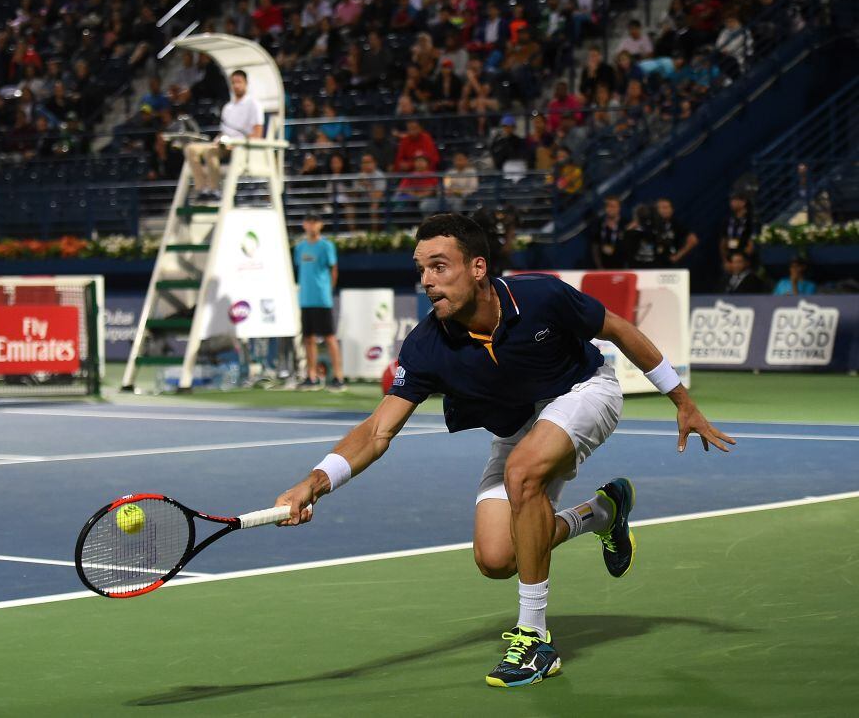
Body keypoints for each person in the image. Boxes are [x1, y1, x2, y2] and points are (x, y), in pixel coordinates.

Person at [273, 213, 734, 688]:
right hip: (517, 423)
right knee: (497, 558)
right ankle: (601, 513)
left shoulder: (539, 296)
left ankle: (535, 640)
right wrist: (315, 482)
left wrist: (681, 400)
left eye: (439, 266)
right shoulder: (427, 345)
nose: (428, 282)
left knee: (522, 474)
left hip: (583, 392)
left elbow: (615, 328)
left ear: (477, 268)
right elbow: (376, 432)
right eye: (421, 270)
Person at [184, 69, 263, 201]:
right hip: (223, 144)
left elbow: (258, 134)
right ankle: (202, 188)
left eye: (239, 82)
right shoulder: (228, 107)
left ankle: (214, 189)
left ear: (246, 83)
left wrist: (238, 143)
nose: (236, 85)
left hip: (240, 146)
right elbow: (223, 131)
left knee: (211, 152)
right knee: (190, 148)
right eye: (233, 82)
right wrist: (217, 139)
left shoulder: (254, 104)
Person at [294, 213, 345, 392]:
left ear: (320, 225)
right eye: (308, 221)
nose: (311, 225)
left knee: (330, 338)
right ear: (304, 224)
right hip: (305, 299)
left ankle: (338, 377)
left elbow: (334, 270)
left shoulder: (326, 246)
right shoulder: (300, 248)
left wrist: (327, 290)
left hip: (322, 299)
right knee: (308, 339)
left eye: (315, 222)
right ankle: (312, 376)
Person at [655, 198, 699, 267]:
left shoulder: (676, 225)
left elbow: (693, 240)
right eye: (662, 208)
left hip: (670, 265)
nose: (664, 210)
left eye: (667, 207)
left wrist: (678, 256)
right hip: (651, 265)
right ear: (656, 210)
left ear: (672, 210)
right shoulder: (649, 224)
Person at [590, 195, 626, 269]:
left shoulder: (625, 225)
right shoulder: (599, 225)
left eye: (613, 206)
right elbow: (595, 248)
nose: (610, 209)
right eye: (608, 206)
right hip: (602, 270)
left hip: (622, 270)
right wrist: (599, 267)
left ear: (619, 208)